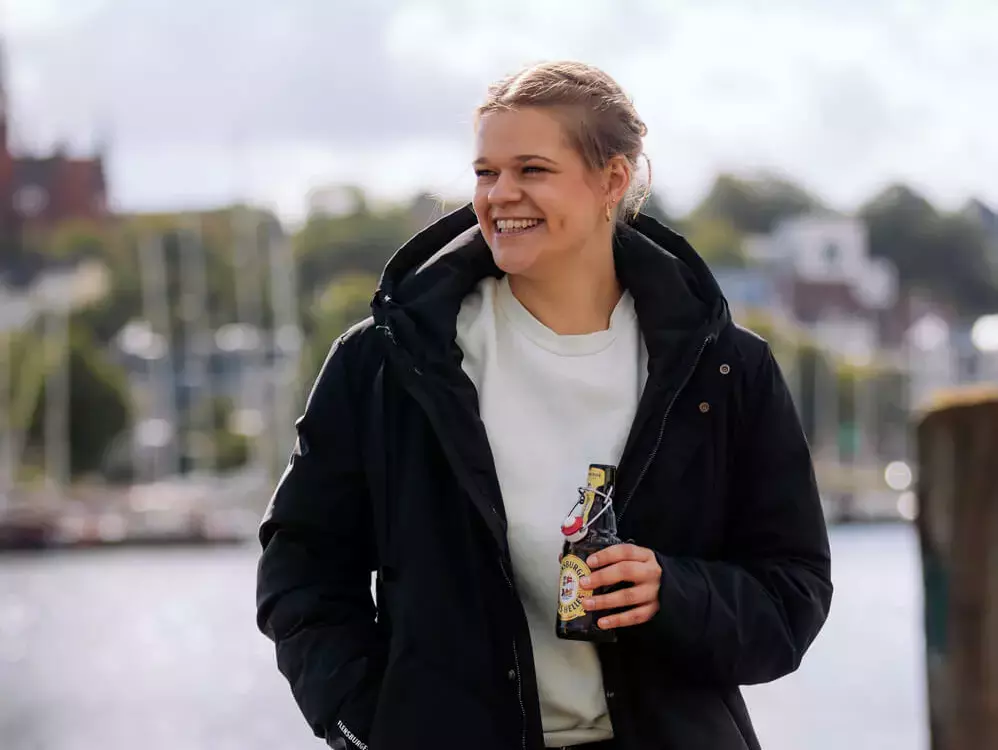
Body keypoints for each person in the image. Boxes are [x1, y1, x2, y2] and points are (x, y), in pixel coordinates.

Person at [256, 61, 833, 750]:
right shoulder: (384, 362)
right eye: (484, 172)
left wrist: (672, 593)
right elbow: (303, 570)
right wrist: (371, 724)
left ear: (612, 181)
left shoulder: (729, 369)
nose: (501, 195)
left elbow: (791, 596)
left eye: (531, 169)